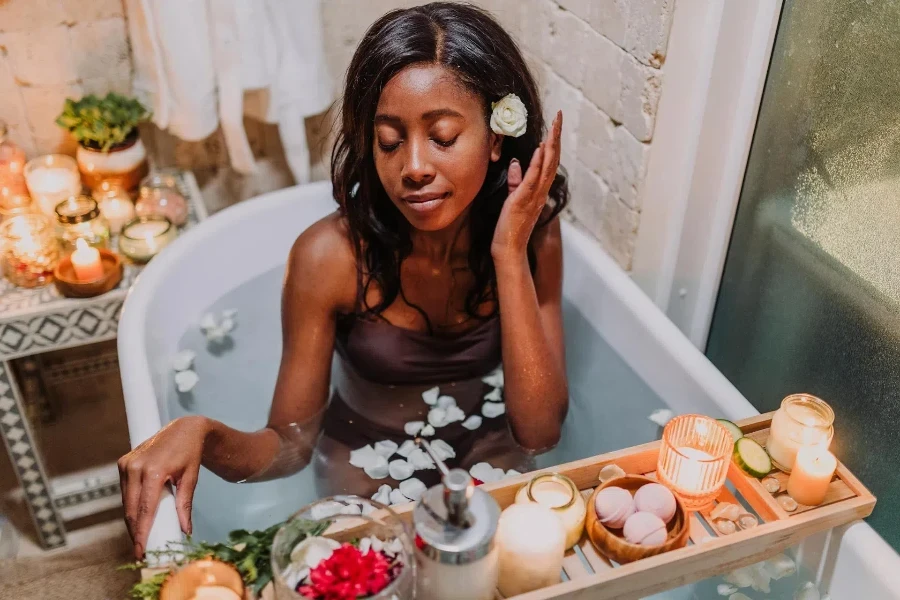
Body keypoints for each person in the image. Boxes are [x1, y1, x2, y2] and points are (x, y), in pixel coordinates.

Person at [118, 2, 569, 559]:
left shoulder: (531, 234)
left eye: (445, 136)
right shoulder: (329, 257)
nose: (414, 166)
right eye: (388, 140)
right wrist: (203, 433)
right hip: (363, 457)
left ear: (496, 139)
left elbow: (540, 433)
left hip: (488, 445)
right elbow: (288, 445)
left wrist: (507, 255)